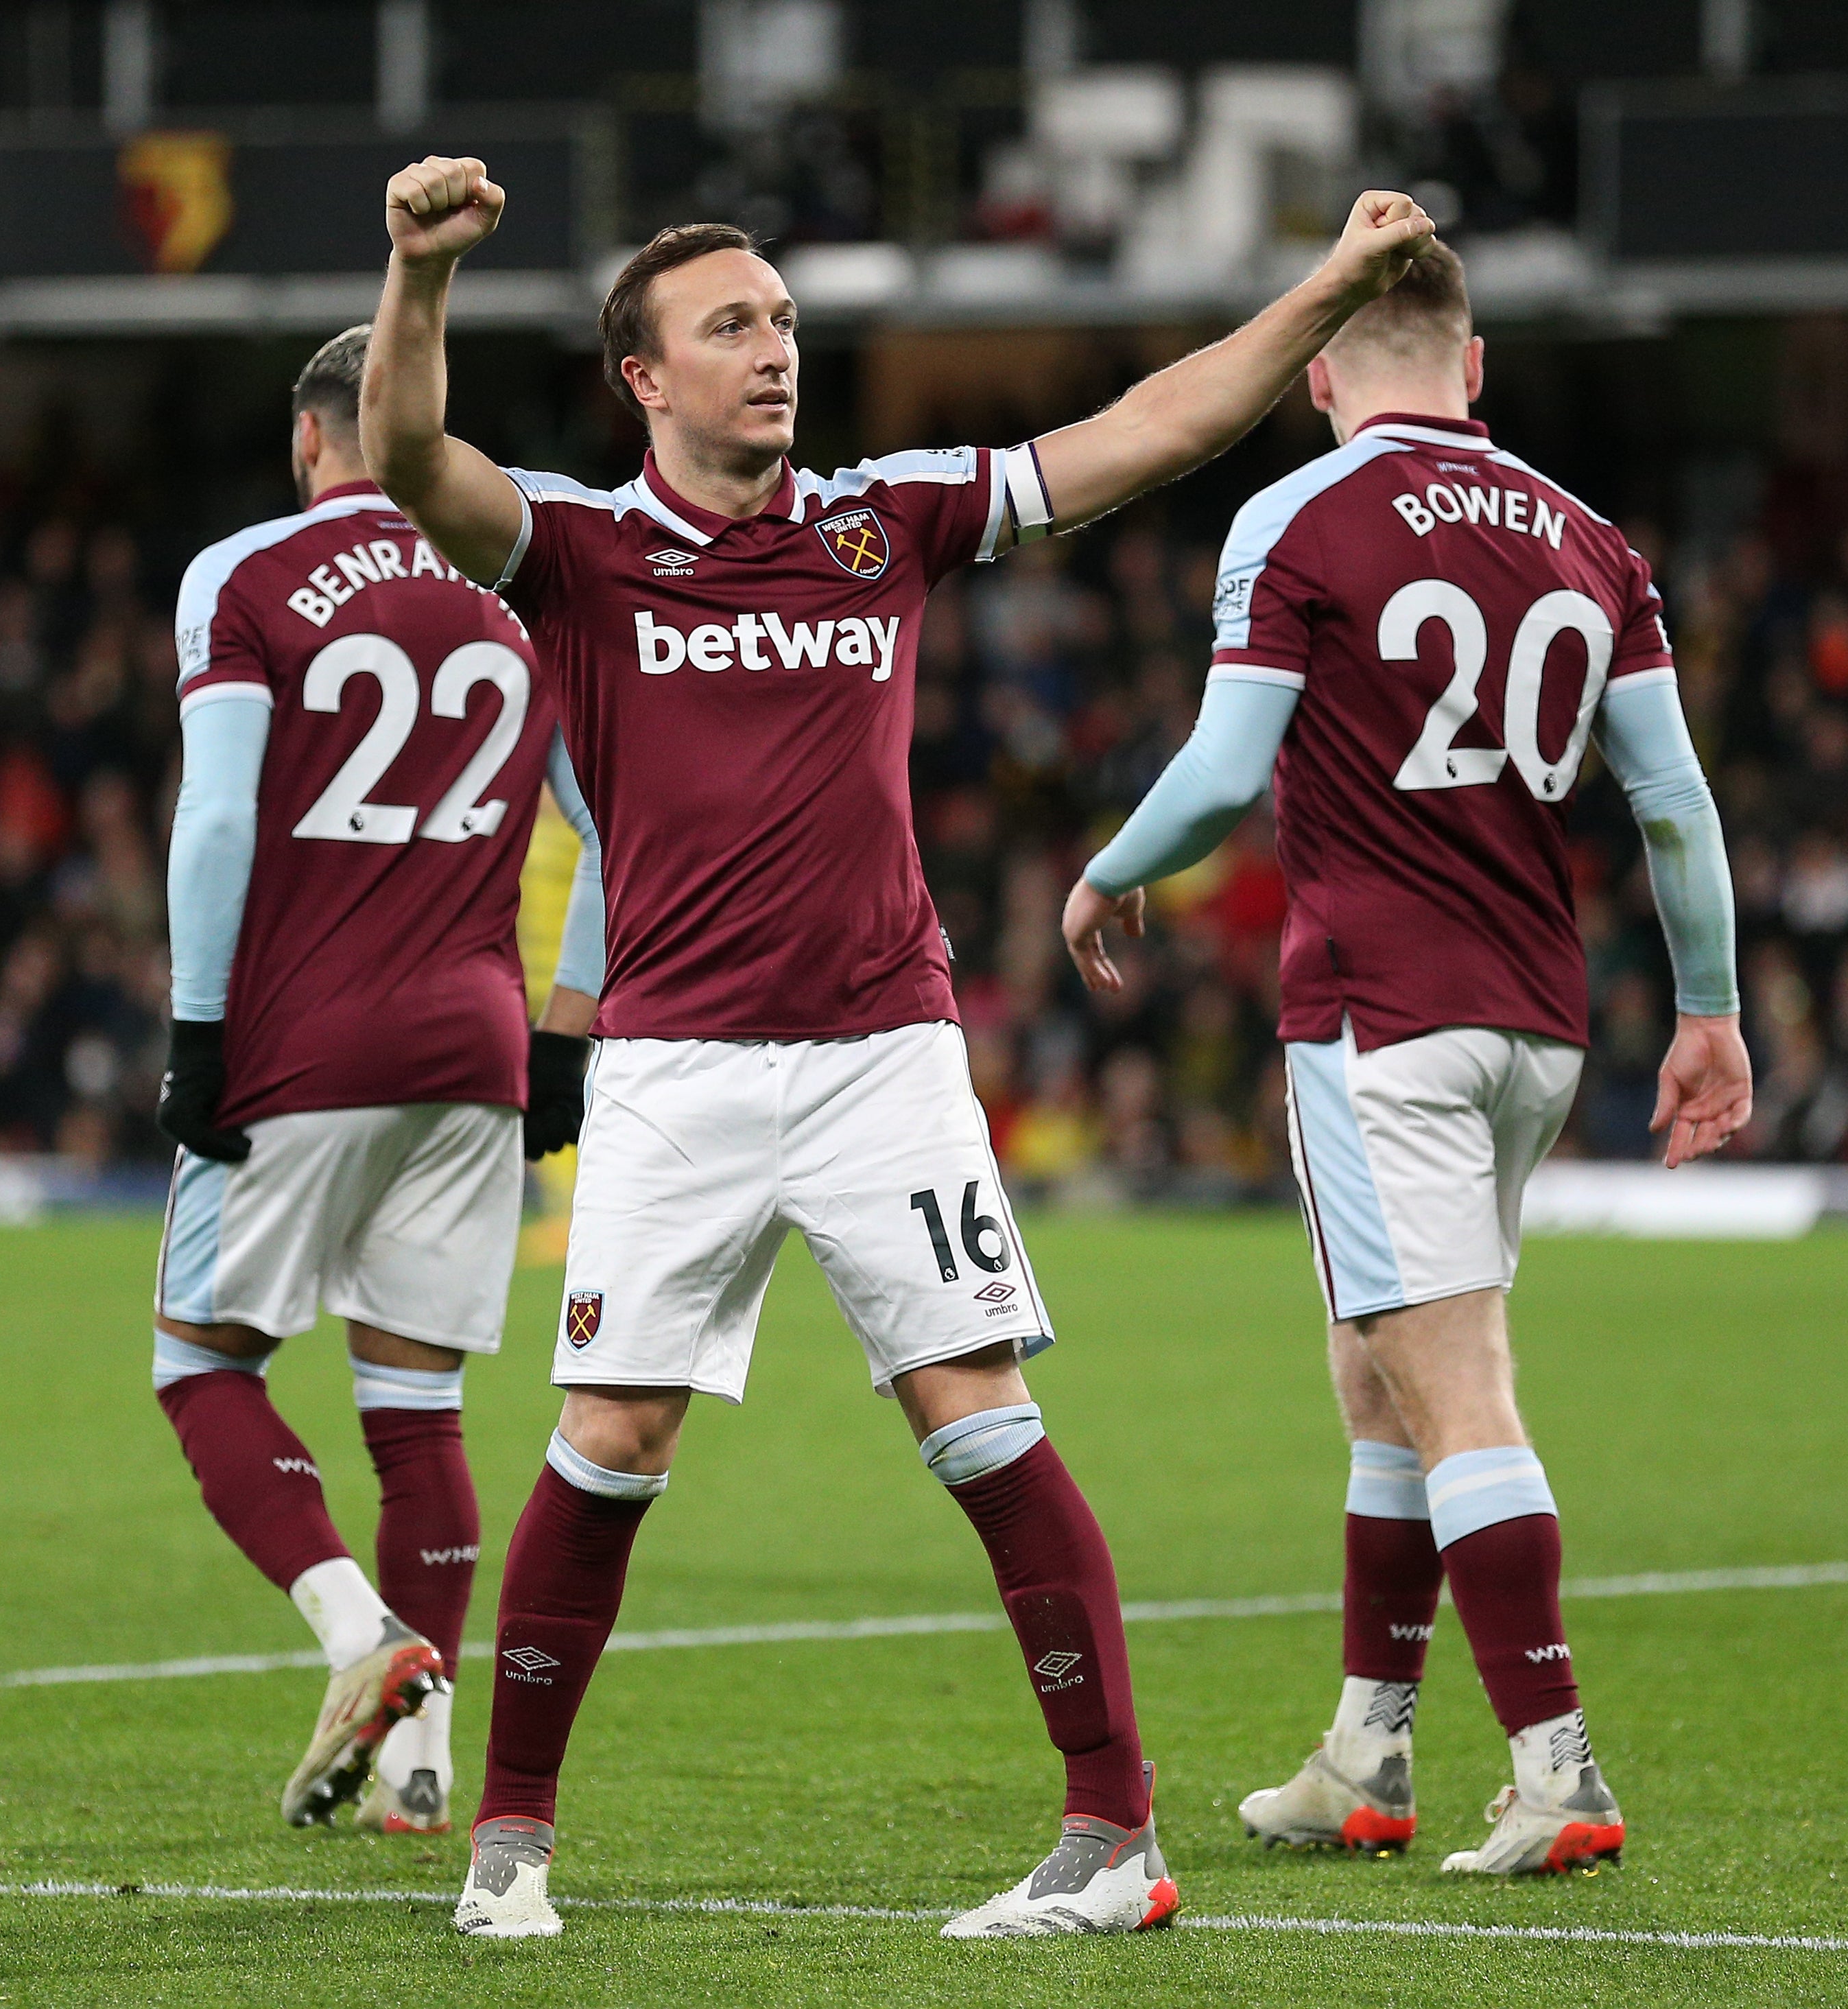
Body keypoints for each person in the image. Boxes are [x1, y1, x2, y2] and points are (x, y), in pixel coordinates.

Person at [362, 154, 1434, 1939]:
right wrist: (416, 280)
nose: (774, 347)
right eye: (730, 325)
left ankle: (1113, 1839)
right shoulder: (579, 545)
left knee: (981, 1419)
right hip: (676, 1071)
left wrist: (1329, 287)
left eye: (782, 317)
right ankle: (511, 1844)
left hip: (882, 1061)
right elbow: (409, 458)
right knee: (606, 1439)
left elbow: (1154, 428)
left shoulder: (891, 516)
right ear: (645, 374)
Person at [1061, 242, 1750, 1877]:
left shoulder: (1297, 517)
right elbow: (1671, 800)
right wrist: (1710, 1009)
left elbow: (1230, 770)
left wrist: (1109, 865)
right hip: (1535, 1020)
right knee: (1377, 1368)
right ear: (1478, 365)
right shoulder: (1594, 541)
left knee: (1450, 1382)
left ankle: (1558, 1764)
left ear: (1316, 373)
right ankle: (1366, 1757)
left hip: (1380, 1017)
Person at [154, 324, 606, 1837]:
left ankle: (363, 1641)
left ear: (307, 438)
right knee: (417, 1414)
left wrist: (196, 1029)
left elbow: (218, 819)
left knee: (205, 1362)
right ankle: (420, 1773)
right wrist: (563, 1034)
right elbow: (616, 835)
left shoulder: (246, 573)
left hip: (303, 1038)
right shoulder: (521, 588)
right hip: (476, 1046)